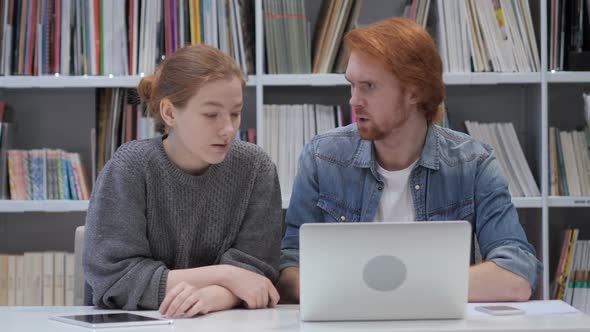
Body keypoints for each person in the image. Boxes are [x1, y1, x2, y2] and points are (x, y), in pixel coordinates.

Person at [277, 18, 543, 303]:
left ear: (414, 91)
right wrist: (399, 290)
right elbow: (289, 267)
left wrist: (389, 289)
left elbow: (517, 274)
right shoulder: (322, 156)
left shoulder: (473, 163)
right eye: (352, 85)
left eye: (369, 86)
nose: (354, 101)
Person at [83, 45, 282, 318]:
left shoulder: (256, 168)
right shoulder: (130, 167)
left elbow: (257, 272)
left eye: (235, 113)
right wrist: (226, 275)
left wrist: (213, 296)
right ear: (169, 113)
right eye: (211, 114)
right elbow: (116, 279)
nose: (228, 129)